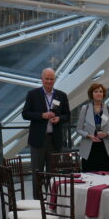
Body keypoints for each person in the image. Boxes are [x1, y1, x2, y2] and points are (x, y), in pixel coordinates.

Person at [21, 68, 71, 198]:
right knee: (37, 172)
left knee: (53, 173)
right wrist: (42, 115)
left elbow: (67, 115)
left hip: (55, 140)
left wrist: (59, 118)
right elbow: (25, 114)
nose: (49, 81)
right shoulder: (33, 94)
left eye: (51, 79)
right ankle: (37, 202)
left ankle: (51, 200)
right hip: (38, 140)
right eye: (47, 79)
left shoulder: (61, 95)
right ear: (42, 79)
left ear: (55, 80)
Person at [76, 82, 109, 172]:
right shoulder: (85, 108)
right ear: (91, 94)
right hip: (89, 148)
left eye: (100, 91)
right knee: (89, 175)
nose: (98, 93)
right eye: (95, 91)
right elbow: (78, 129)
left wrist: (106, 134)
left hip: (105, 148)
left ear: (103, 94)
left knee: (106, 175)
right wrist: (89, 135)